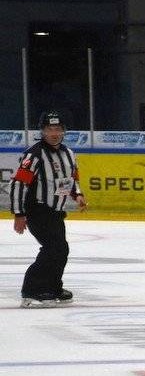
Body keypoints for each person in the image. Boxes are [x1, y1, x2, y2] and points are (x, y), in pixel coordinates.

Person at [9, 111, 87, 307]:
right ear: (42, 131)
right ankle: (32, 290)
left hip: (56, 212)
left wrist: (77, 194)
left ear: (64, 131)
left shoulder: (69, 154)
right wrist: (19, 214)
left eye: (58, 129)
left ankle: (53, 287)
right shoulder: (34, 154)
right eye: (50, 129)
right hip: (37, 210)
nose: (54, 133)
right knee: (54, 248)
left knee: (61, 249)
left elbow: (72, 178)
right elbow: (19, 184)